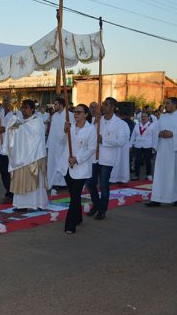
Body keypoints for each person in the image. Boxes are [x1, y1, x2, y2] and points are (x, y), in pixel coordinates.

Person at [86, 97, 128, 220]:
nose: (103, 106)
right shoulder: (98, 120)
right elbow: (90, 134)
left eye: (106, 104)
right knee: (90, 183)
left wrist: (104, 140)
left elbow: (121, 141)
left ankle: (102, 210)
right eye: (103, 104)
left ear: (113, 107)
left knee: (104, 185)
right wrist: (94, 122)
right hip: (94, 157)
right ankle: (96, 204)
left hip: (107, 158)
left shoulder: (120, 123)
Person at [146, 97, 177, 207]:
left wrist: (173, 135)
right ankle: (157, 199)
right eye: (165, 103)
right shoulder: (163, 117)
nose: (165, 105)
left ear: (175, 104)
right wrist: (159, 134)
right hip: (163, 151)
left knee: (175, 175)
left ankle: (176, 198)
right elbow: (155, 130)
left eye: (167, 103)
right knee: (160, 175)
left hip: (176, 152)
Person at [57, 104, 97, 234]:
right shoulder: (70, 126)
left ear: (86, 114)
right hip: (67, 166)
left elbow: (91, 149)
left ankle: (70, 224)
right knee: (74, 195)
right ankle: (78, 217)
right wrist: (65, 131)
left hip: (81, 168)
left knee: (74, 197)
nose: (75, 114)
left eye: (79, 112)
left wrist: (77, 159)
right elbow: (61, 141)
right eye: (74, 112)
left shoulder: (91, 130)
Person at [4, 99, 49, 211]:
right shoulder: (20, 121)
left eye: (26, 108)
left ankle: (37, 203)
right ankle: (21, 205)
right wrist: (11, 126)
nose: (24, 110)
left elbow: (35, 137)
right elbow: (12, 133)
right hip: (20, 157)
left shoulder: (37, 121)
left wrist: (18, 127)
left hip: (33, 157)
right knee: (20, 181)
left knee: (35, 181)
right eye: (22, 108)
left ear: (32, 109)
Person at [45, 98, 75, 193]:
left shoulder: (70, 115)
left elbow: (72, 130)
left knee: (62, 163)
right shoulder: (54, 116)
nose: (54, 106)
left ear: (61, 105)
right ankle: (55, 182)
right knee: (54, 163)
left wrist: (64, 135)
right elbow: (52, 131)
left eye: (56, 104)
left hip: (64, 145)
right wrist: (49, 143)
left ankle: (63, 183)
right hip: (54, 144)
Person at [130, 111, 155, 181]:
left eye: (145, 116)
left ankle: (148, 175)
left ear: (148, 117)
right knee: (137, 161)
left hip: (148, 145)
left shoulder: (152, 125)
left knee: (148, 160)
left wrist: (154, 146)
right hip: (138, 145)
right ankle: (136, 175)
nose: (143, 118)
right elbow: (133, 135)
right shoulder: (137, 125)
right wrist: (130, 145)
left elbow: (155, 136)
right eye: (142, 116)